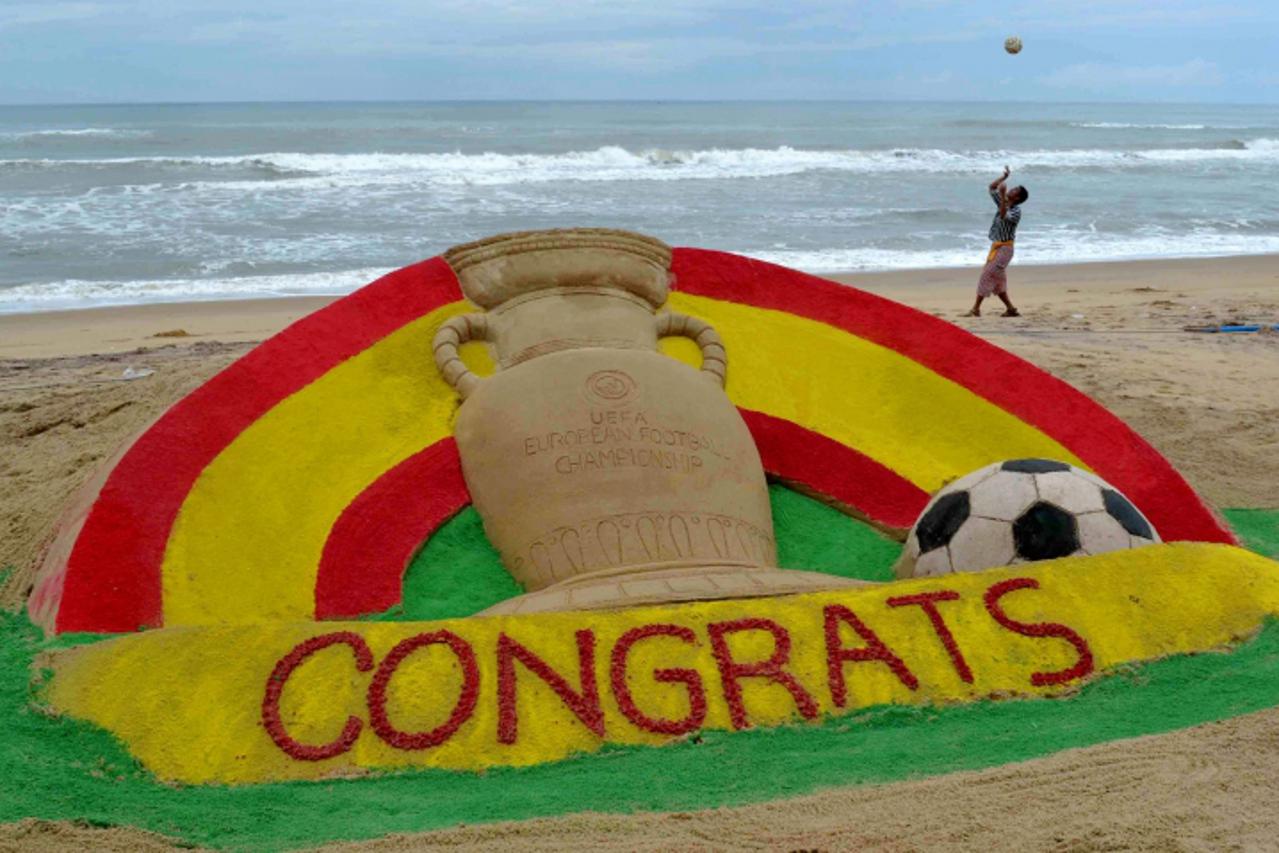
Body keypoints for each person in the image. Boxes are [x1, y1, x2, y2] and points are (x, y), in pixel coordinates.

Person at [968, 165, 1027, 317]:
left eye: (1014, 190)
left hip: (1005, 249)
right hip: (997, 247)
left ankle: (976, 309)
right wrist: (1003, 178)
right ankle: (1011, 309)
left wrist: (1002, 197)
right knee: (998, 282)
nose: (1010, 190)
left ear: (1018, 198)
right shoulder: (1004, 203)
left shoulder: (1016, 211)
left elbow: (1002, 216)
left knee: (986, 275)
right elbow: (991, 187)